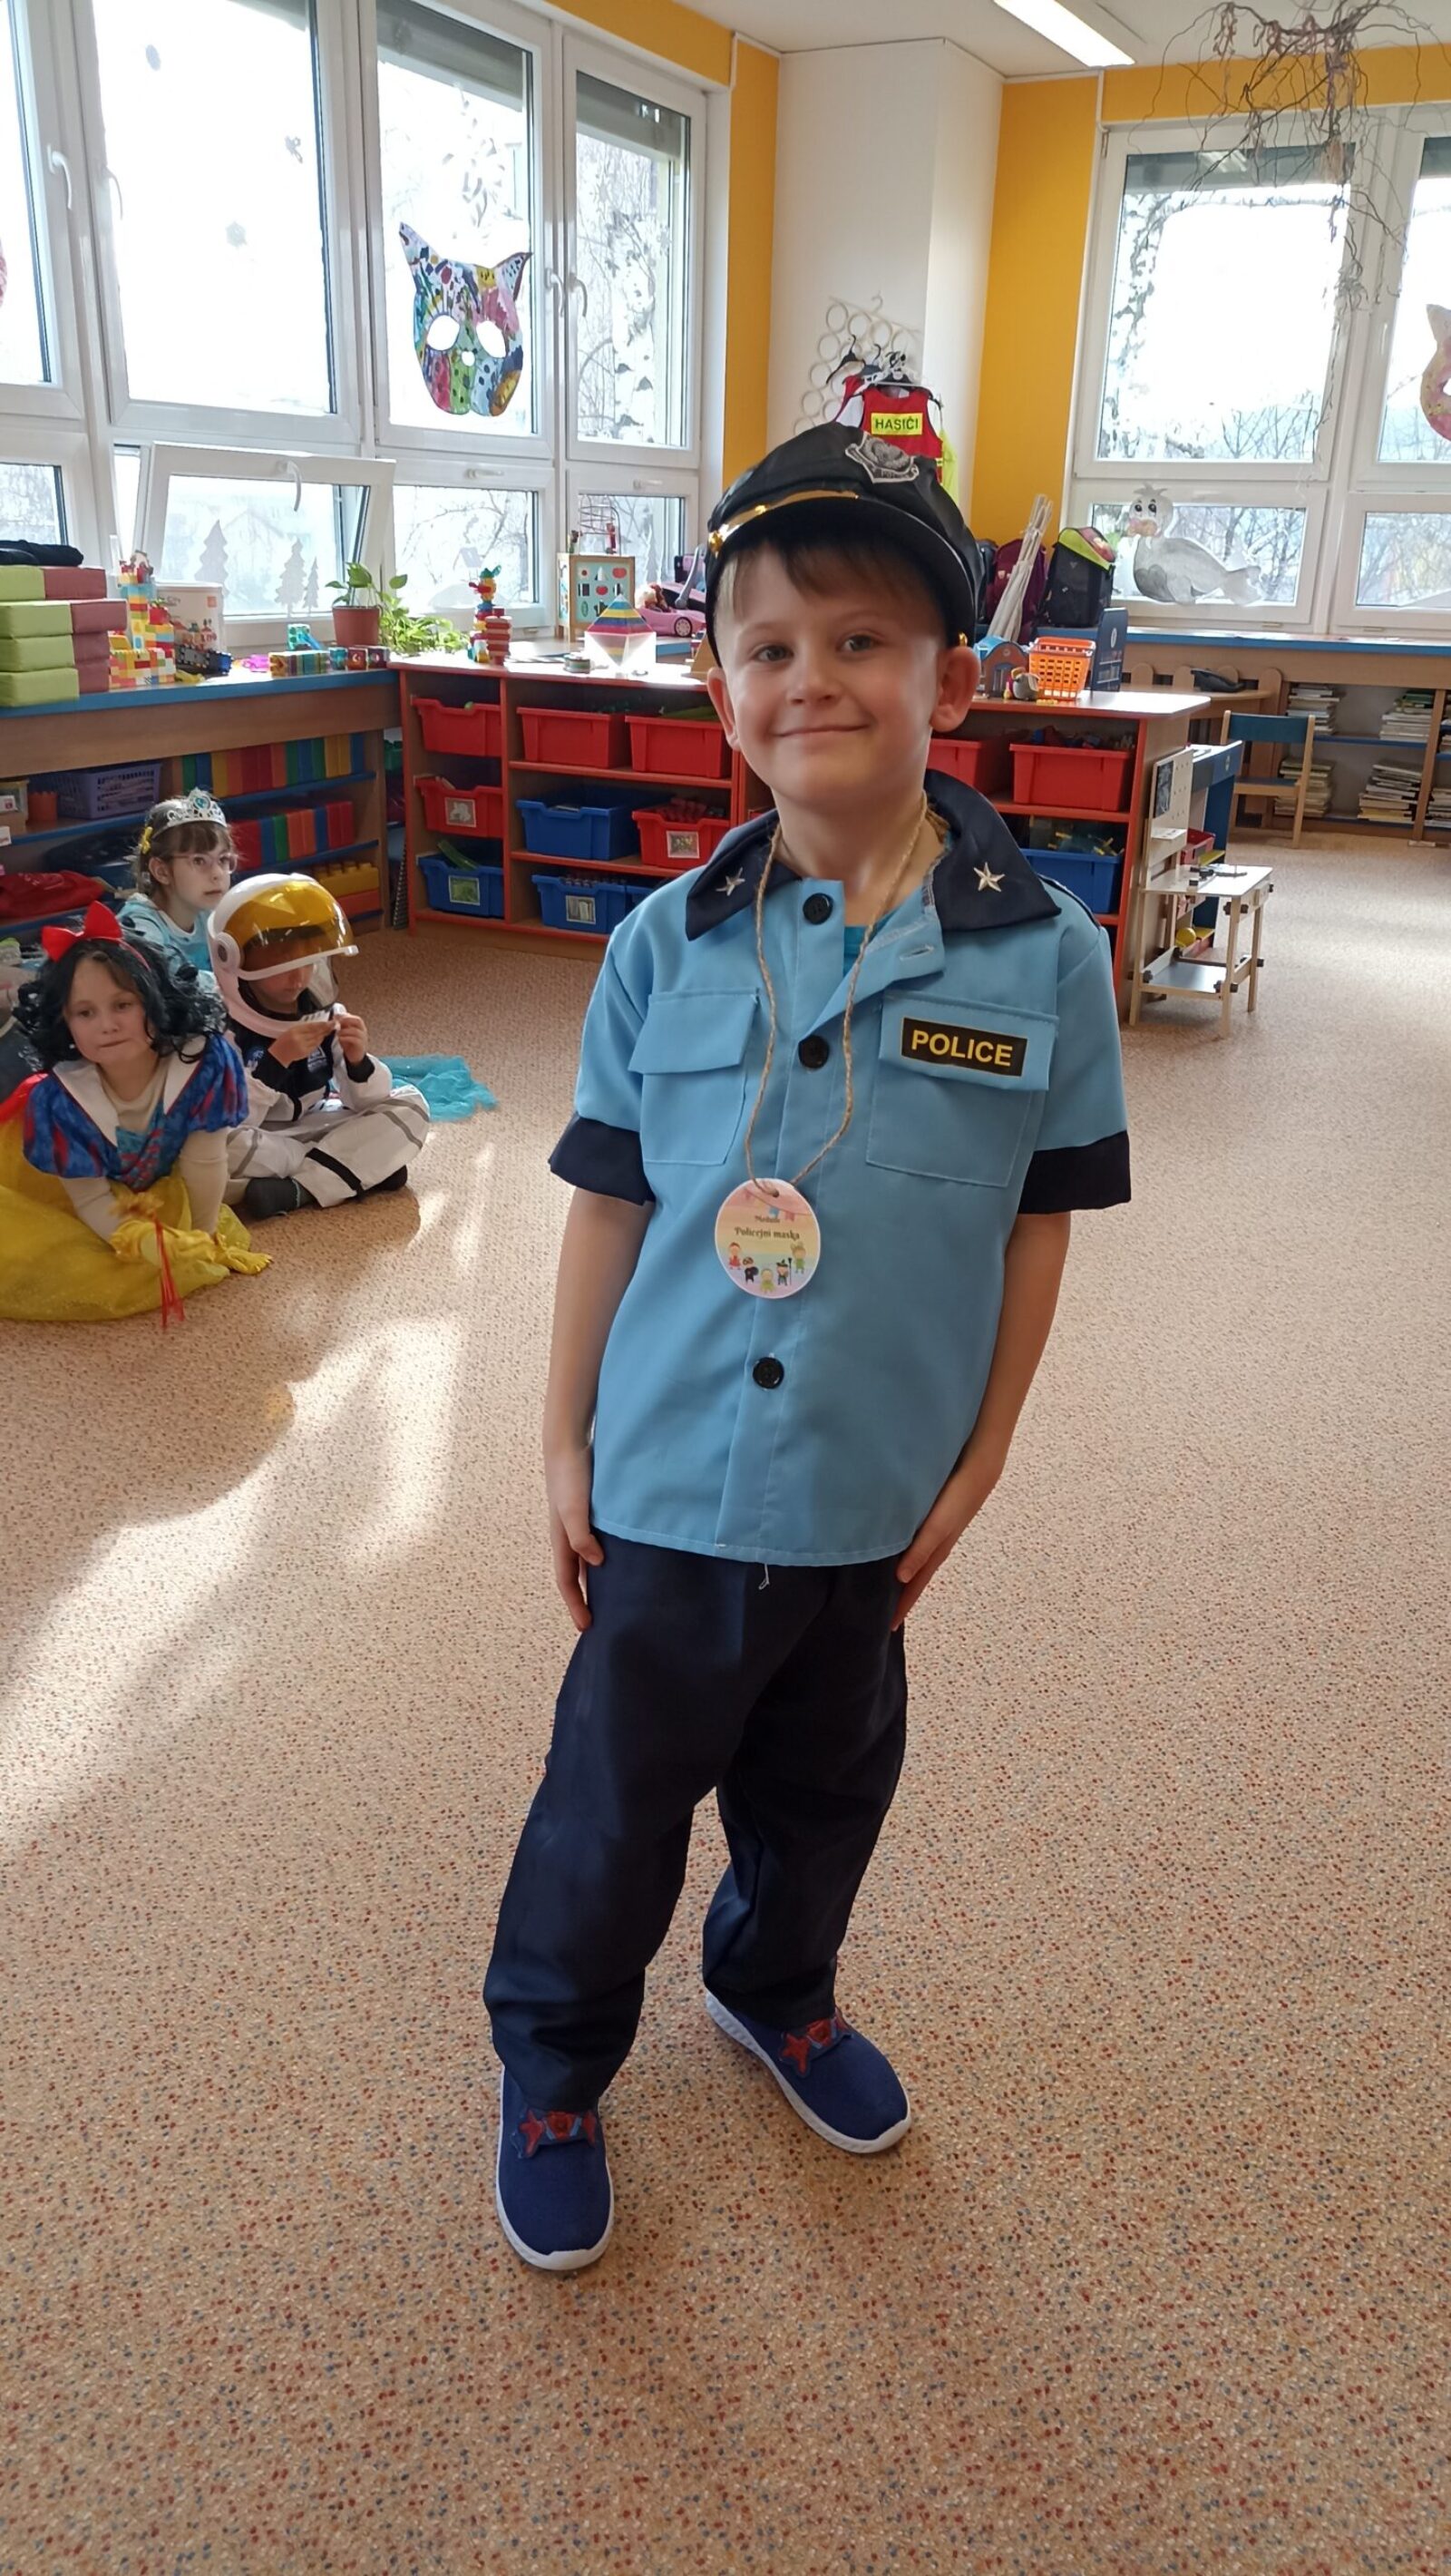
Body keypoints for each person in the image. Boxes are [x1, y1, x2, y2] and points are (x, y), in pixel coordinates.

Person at [484, 424, 1132, 2273]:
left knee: (828, 1784)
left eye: (861, 641)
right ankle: (551, 2066)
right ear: (720, 694)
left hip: (871, 1485)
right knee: (610, 1805)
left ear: (951, 679)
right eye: (769, 646)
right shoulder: (661, 946)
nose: (812, 680)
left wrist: (982, 1458)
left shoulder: (1045, 959)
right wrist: (559, 1443)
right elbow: (607, 1206)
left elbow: (1037, 1223)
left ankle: (775, 1986)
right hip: (671, 1478)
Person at [0, 902, 267, 1322]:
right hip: (64, 1195)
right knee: (63, 1265)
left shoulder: (203, 1064)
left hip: (158, 1184)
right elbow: (90, 1198)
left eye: (122, 1004)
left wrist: (204, 1236)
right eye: (85, 1012)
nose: (106, 1025)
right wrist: (134, 1239)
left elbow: (205, 1159)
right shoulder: (60, 1103)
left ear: (155, 1001)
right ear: (65, 1022)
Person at [209, 873, 429, 1220]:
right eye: (282, 965)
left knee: (412, 1107)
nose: (298, 978)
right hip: (263, 1135)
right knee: (217, 1144)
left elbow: (365, 1101)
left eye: (308, 962)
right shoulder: (224, 1029)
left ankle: (301, 1189)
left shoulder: (326, 1014)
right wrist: (275, 1063)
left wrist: (358, 1062)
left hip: (318, 1123)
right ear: (236, 963)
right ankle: (356, 1169)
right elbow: (231, 1119)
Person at [117, 787, 237, 980]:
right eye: (199, 860)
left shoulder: (209, 915)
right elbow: (173, 983)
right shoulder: (138, 926)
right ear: (162, 871)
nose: (217, 874)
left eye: (223, 859)